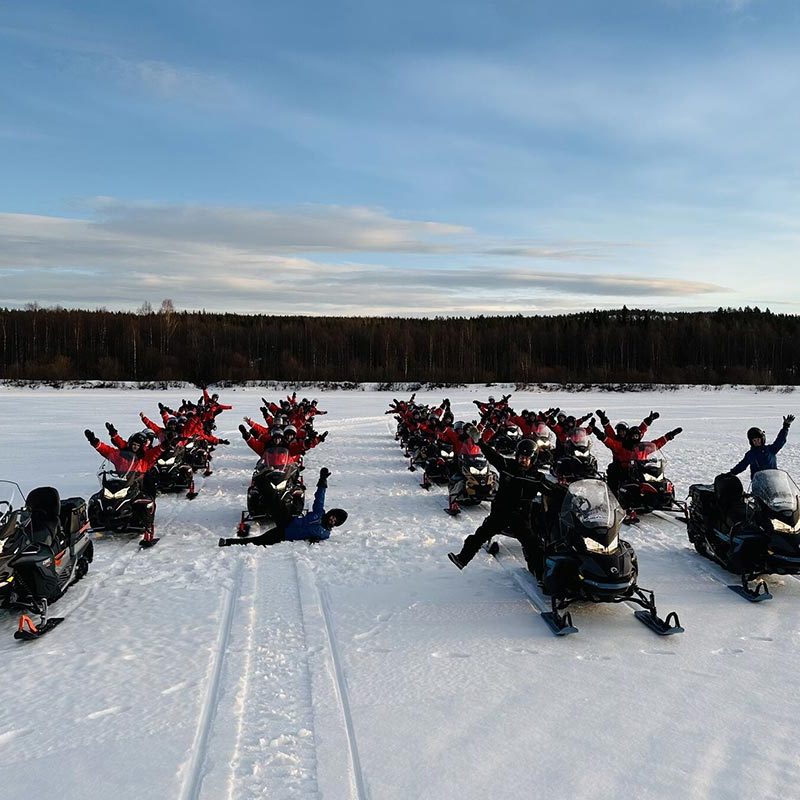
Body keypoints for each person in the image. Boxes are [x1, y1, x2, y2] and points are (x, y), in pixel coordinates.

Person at [447, 438, 544, 573]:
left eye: (527, 458)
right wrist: (480, 442)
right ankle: (462, 559)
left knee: (532, 546)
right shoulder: (507, 466)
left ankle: (539, 574)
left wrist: (570, 492)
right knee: (479, 536)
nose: (523, 460)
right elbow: (493, 456)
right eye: (521, 457)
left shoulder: (537, 478)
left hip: (521, 517)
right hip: (501, 513)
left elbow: (553, 490)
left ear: (532, 459)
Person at [218, 468, 348, 547]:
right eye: (333, 517)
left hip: (285, 534)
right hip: (288, 520)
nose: (332, 520)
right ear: (331, 513)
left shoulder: (325, 534)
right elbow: (320, 497)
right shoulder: (320, 513)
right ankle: (260, 479)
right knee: (275, 500)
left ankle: (227, 542)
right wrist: (323, 481)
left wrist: (314, 539)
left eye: (335, 521)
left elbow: (316, 538)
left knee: (259, 541)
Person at [84, 429, 163, 546]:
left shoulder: (145, 457)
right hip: (119, 483)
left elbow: (157, 452)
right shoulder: (120, 455)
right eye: (133, 445)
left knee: (147, 502)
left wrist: (166, 444)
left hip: (136, 485)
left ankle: (148, 530)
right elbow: (106, 451)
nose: (135, 447)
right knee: (95, 499)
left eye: (138, 445)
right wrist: (94, 441)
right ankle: (94, 522)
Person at [730, 415, 794, 478]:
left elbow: (780, 440)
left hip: (774, 482)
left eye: (758, 439)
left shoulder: (771, 450)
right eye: (754, 440)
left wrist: (785, 427)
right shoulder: (750, 454)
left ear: (762, 439)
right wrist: (730, 474)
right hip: (758, 485)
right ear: (751, 442)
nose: (757, 442)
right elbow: (741, 466)